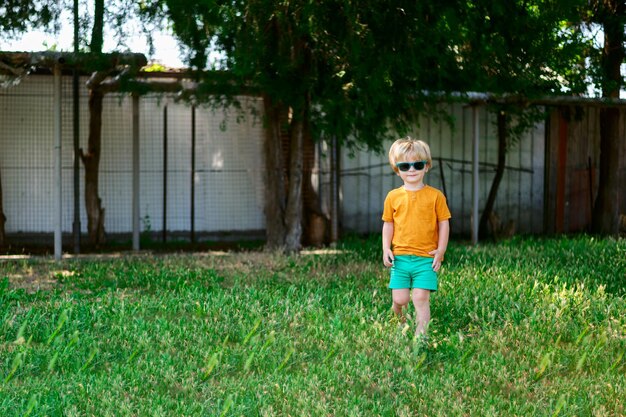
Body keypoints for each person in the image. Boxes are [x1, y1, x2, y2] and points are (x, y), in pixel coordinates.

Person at [381, 137, 451, 342]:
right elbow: (388, 224)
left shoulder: (436, 196)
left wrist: (441, 250)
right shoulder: (393, 197)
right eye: (405, 166)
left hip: (425, 258)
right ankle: (399, 319)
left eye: (417, 164)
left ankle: (421, 337)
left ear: (426, 166)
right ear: (397, 169)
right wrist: (386, 248)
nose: (411, 170)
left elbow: (444, 223)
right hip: (401, 258)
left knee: (420, 297)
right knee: (400, 298)